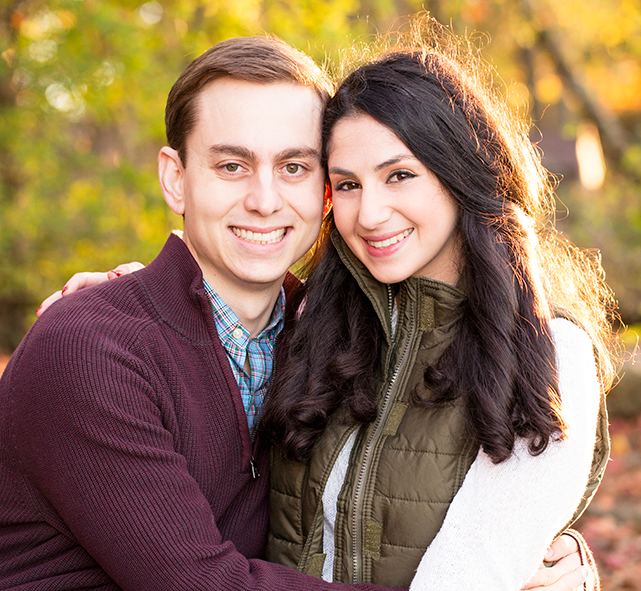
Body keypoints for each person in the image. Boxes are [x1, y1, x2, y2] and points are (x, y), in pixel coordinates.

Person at [0, 35, 592, 591]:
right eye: (231, 165)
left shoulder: (329, 335)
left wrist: (553, 562)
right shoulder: (91, 348)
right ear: (175, 178)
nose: (263, 199)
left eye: (295, 167)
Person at [260, 30, 616, 590]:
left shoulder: (550, 355)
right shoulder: (309, 320)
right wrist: (121, 294)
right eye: (347, 184)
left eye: (399, 175)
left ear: (458, 171)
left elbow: (473, 572)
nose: (370, 213)